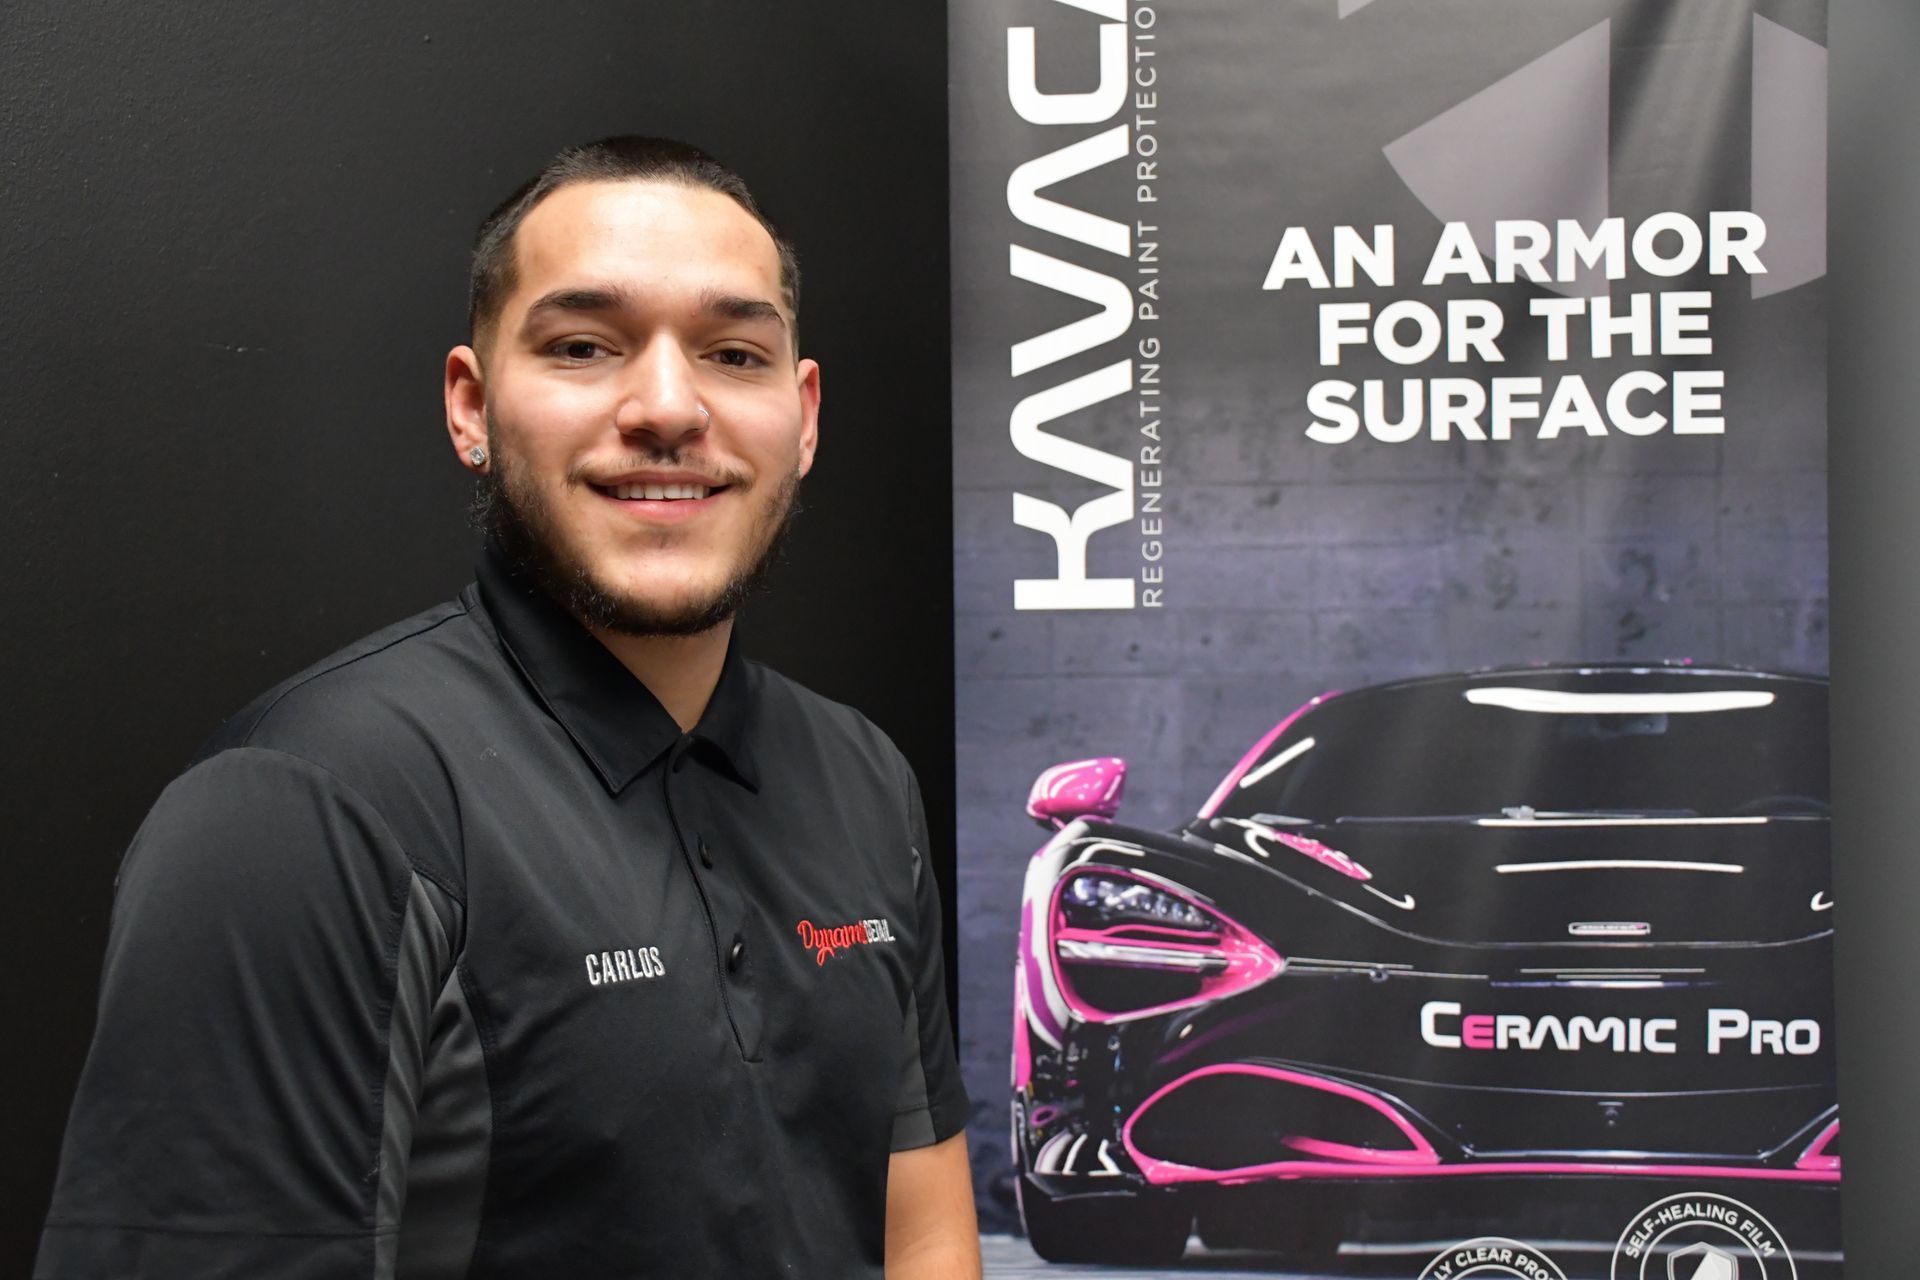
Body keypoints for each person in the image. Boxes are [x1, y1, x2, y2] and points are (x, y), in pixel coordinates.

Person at [36, 136, 978, 1279]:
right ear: (471, 408)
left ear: (805, 414)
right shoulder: (309, 808)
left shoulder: (865, 775)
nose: (669, 408)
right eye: (584, 346)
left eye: (734, 353)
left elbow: (920, 1229)